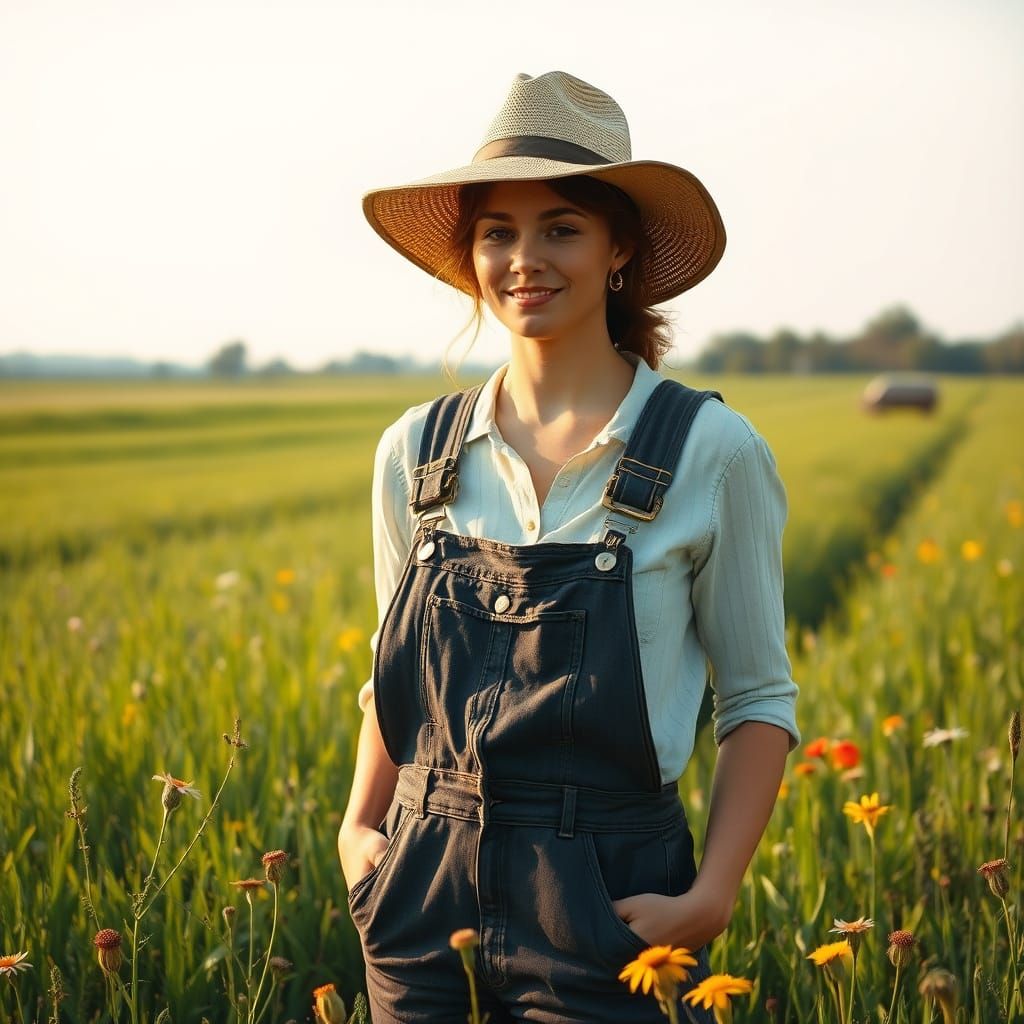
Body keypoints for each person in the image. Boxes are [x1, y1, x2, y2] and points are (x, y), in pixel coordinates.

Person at [338, 70, 800, 1024]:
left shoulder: (712, 452)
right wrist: (358, 829)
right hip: (422, 895)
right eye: (496, 232)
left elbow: (757, 696)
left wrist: (710, 896)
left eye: (559, 227)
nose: (523, 259)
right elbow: (392, 679)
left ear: (618, 247)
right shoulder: (413, 453)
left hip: (610, 901)